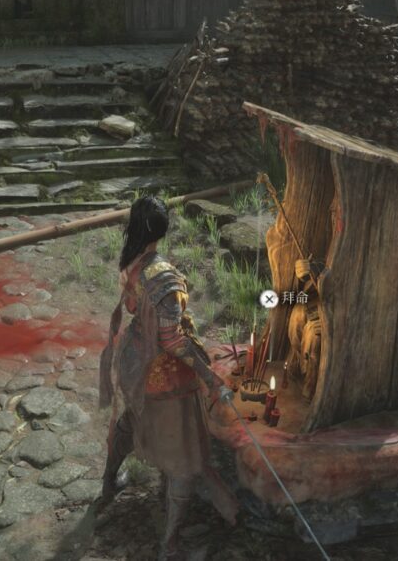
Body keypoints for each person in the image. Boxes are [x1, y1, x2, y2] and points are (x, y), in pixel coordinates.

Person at [98, 196, 239, 560]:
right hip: (162, 375)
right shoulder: (164, 277)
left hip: (133, 360)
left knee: (132, 420)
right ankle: (170, 546)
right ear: (163, 230)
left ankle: (108, 483)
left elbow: (136, 310)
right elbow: (173, 340)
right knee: (184, 459)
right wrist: (210, 378)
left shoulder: (131, 261)